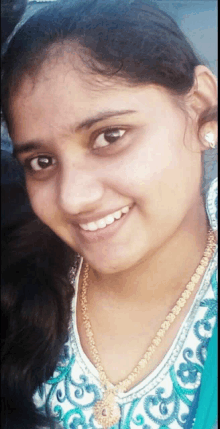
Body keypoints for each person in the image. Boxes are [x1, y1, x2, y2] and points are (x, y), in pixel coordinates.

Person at [1, 1, 217, 428]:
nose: (73, 199)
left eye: (109, 136)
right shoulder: (19, 281)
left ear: (200, 105)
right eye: (41, 162)